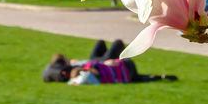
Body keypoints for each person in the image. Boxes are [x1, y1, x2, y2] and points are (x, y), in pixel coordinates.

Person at [43, 39, 175, 84]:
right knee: (118, 43)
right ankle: (123, 54)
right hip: (102, 64)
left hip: (97, 63)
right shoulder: (75, 70)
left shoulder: (71, 69)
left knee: (100, 42)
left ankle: (119, 58)